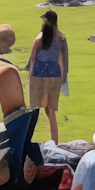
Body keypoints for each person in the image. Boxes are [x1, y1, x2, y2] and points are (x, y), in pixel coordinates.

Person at [26, 10, 68, 143]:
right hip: (54, 76)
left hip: (39, 75)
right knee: (51, 113)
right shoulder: (61, 38)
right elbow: (63, 61)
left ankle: (26, 140)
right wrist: (63, 78)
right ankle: (55, 142)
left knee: (34, 111)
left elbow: (33, 60)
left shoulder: (39, 38)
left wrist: (30, 77)